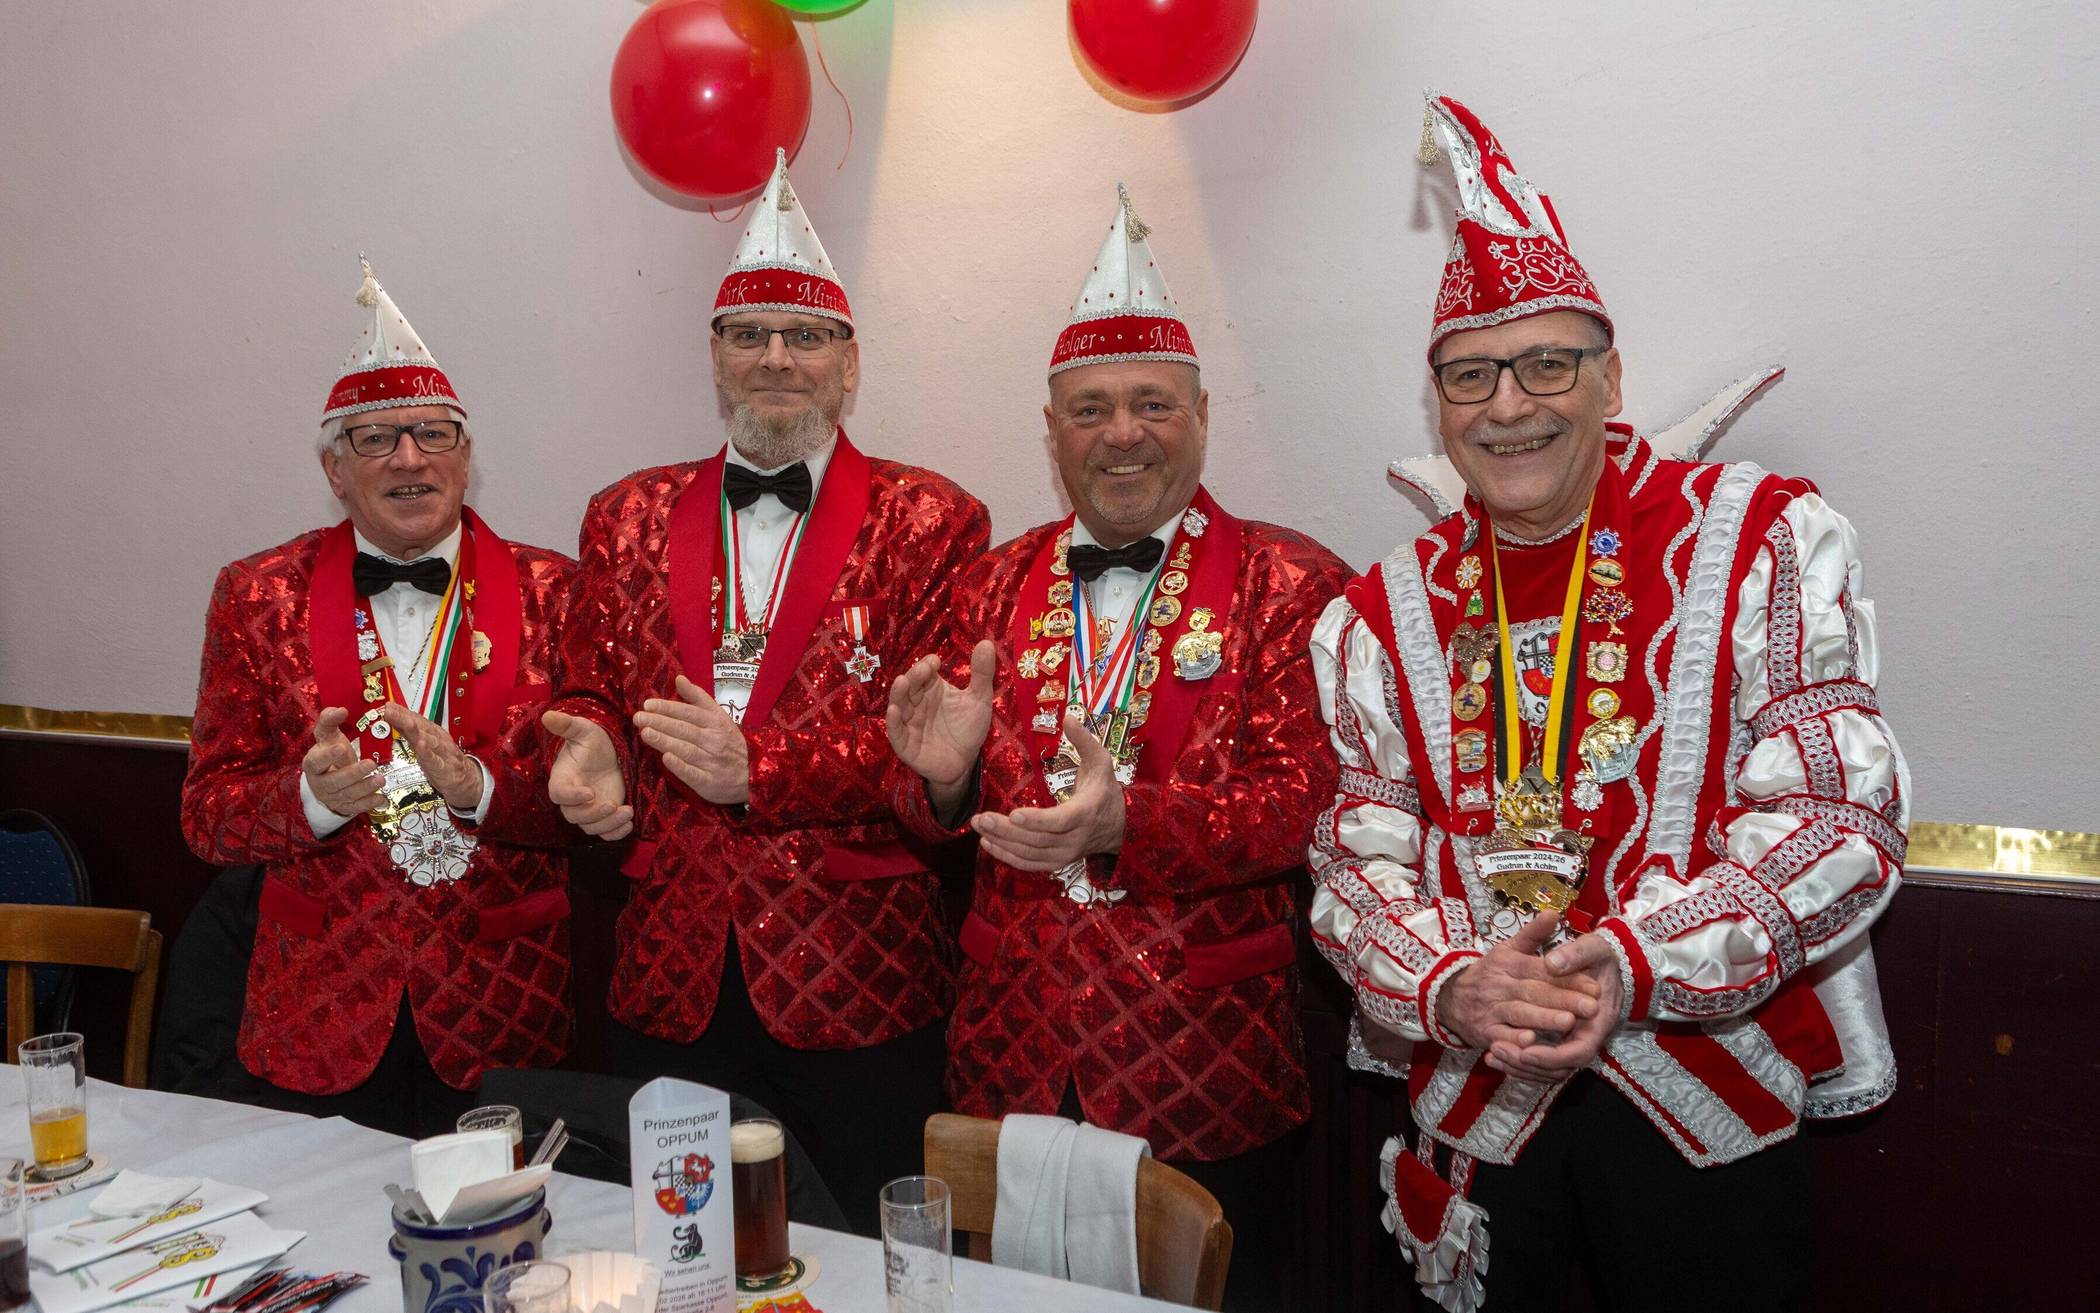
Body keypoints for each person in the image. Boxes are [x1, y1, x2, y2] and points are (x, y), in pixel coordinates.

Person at [1309, 94, 1910, 1311]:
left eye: (1548, 363)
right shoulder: (1381, 611)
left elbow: (1842, 817)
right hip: (1478, 1099)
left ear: (1611, 375)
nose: (1508, 405)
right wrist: (1451, 983)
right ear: (1438, 402)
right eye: (1470, 375)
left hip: (1705, 1093)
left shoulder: (1757, 537)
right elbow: (1356, 860)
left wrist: (1634, 964)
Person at [885, 184, 1351, 1311]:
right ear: (1052, 432)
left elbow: (1304, 807)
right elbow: (925, 812)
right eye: (1090, 409)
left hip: (1208, 1063)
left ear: (1202, 415)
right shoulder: (986, 582)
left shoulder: (1294, 581)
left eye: (1152, 404)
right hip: (1010, 1054)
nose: (1122, 433)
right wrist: (942, 783)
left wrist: (1129, 821)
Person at [542, 149, 990, 1235]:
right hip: (671, 974)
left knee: (874, 1261)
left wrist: (764, 768)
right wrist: (593, 743)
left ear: (849, 363)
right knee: (679, 1254)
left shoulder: (935, 519)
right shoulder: (625, 514)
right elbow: (595, 686)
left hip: (863, 981)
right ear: (716, 357)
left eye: (806, 335)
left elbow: (931, 747)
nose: (777, 357)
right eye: (750, 334)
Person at [181, 261, 577, 1138]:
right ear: (333, 468)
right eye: (375, 438)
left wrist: (482, 789)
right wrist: (309, 801)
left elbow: (598, 814)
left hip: (503, 1013)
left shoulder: (560, 592)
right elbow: (206, 817)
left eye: (435, 433)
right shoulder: (255, 594)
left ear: (467, 458)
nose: (409, 457)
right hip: (316, 1020)